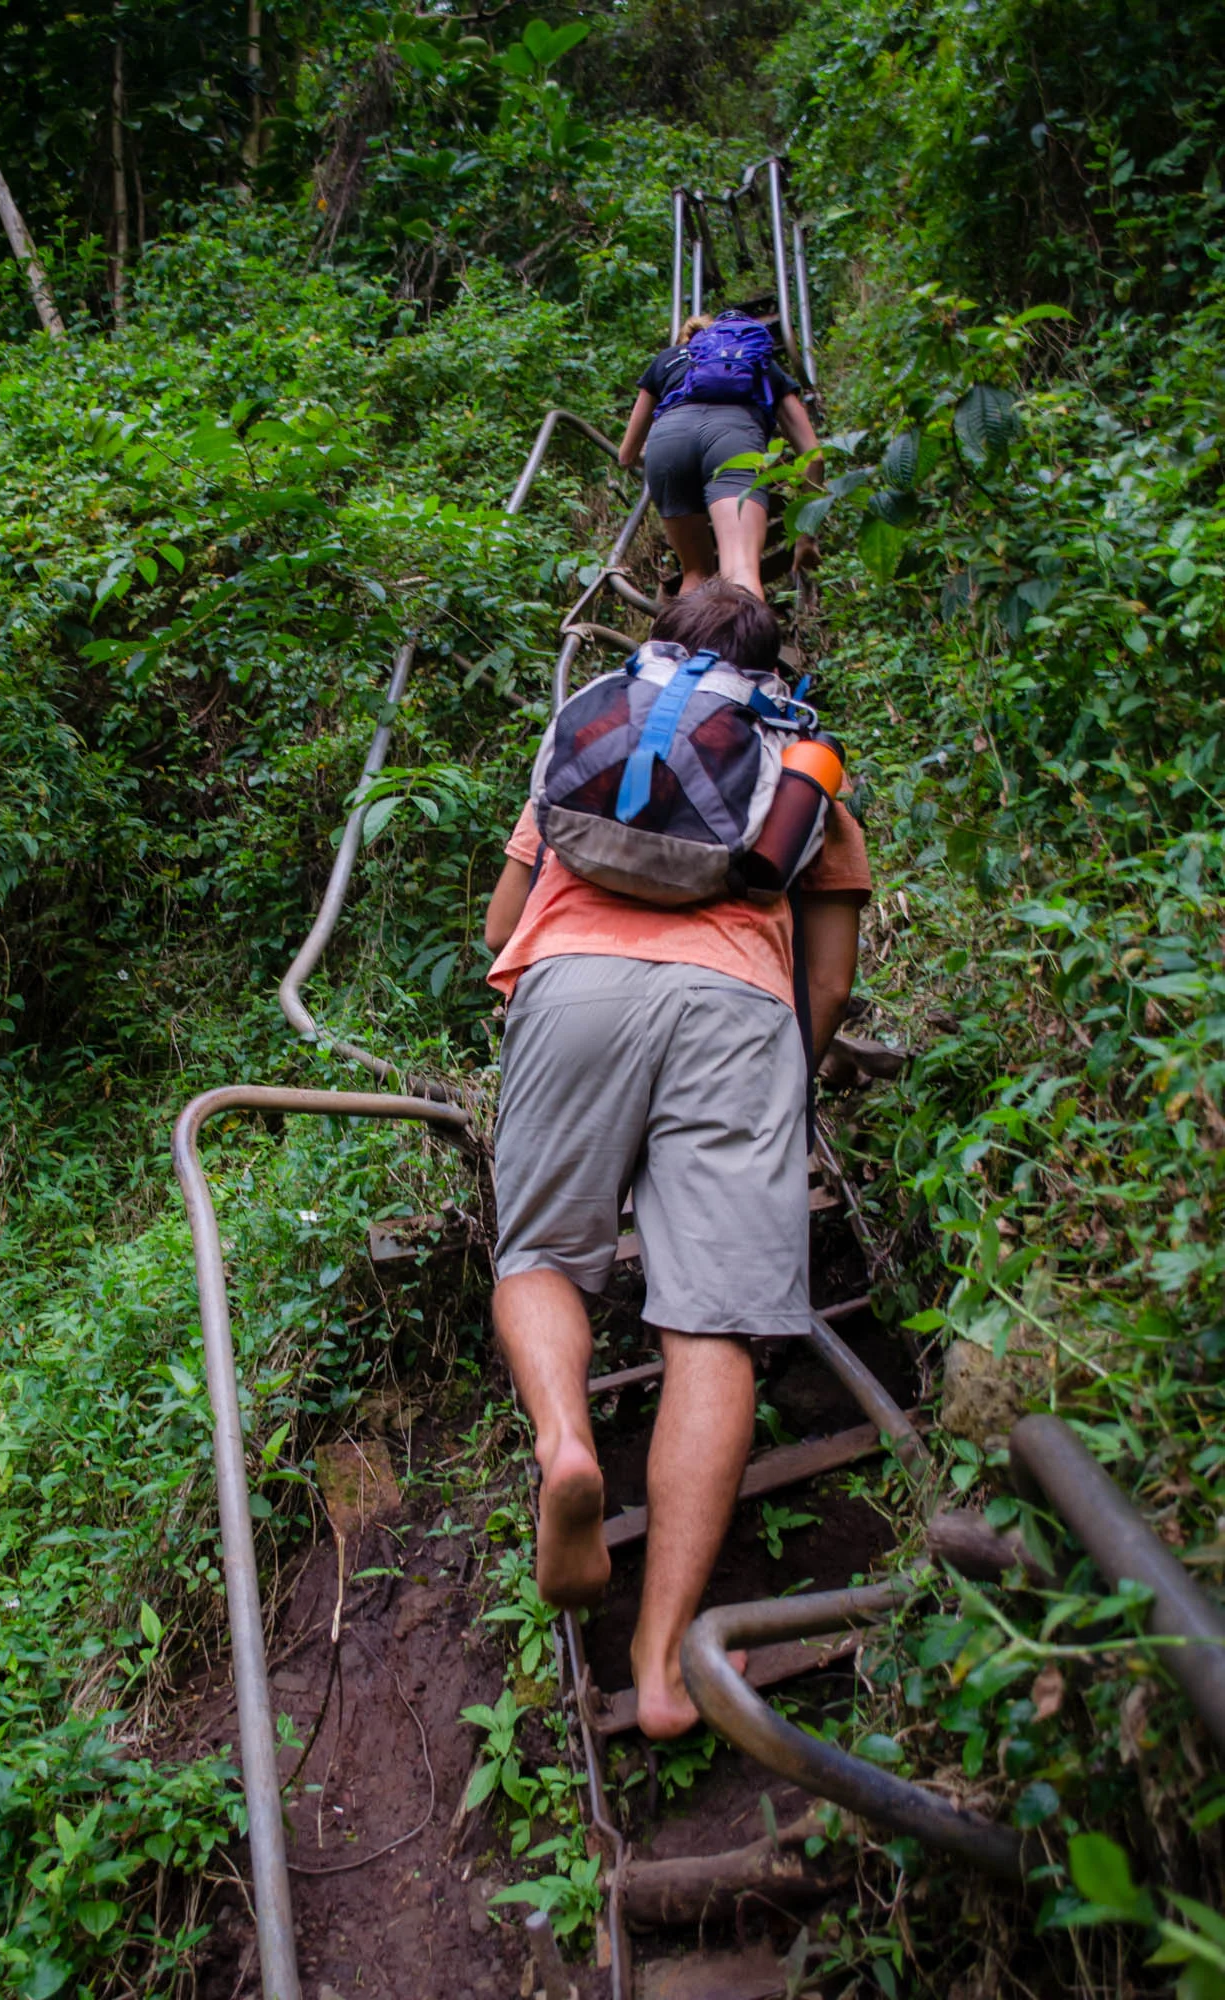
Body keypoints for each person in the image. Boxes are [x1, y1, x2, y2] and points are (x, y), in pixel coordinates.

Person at [483, 581, 870, 1739]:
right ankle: (659, 1666)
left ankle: (565, 1443)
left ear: (661, 651)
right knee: (712, 1322)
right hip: (736, 1008)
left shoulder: (602, 728)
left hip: (572, 985)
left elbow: (502, 925)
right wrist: (778, 1082)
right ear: (774, 672)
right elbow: (832, 980)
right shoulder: (799, 773)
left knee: (543, 1251)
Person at [617, 311, 825, 602]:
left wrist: (655, 461)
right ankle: (745, 647)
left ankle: (686, 646)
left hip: (668, 440)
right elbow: (813, 457)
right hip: (734, 437)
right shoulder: (759, 362)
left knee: (696, 574)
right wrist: (805, 537)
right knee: (739, 568)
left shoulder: (666, 359)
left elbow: (626, 456)